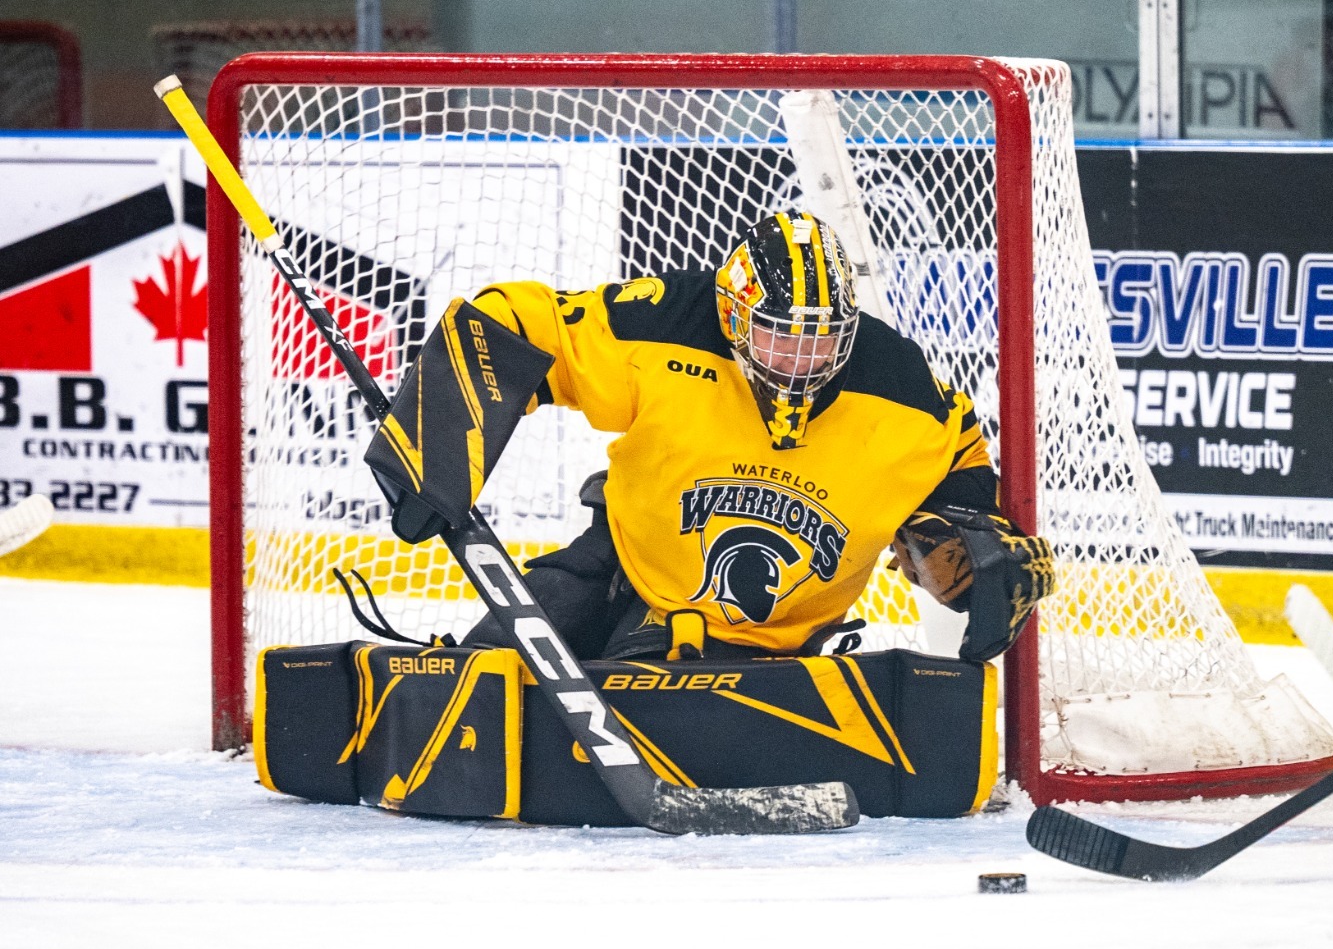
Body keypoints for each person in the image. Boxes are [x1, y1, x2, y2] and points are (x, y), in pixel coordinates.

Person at [363, 210, 1053, 668]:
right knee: (503, 658)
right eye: (780, 339)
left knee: (639, 680)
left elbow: (959, 466)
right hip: (627, 574)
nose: (800, 364)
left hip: (784, 646)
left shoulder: (898, 384)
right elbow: (524, 322)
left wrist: (975, 544)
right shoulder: (669, 322)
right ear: (733, 316)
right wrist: (439, 434)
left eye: (820, 343)